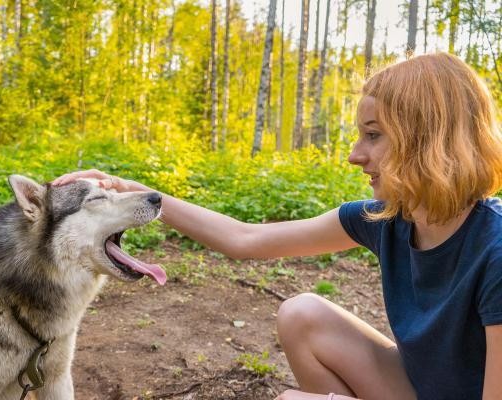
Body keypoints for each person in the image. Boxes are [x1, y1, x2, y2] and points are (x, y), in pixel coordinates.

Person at [53, 53, 502, 400]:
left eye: (373, 135)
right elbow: (247, 239)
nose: (354, 155)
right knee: (304, 314)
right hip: (421, 386)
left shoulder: (496, 250)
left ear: (427, 139)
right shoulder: (386, 220)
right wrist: (137, 191)